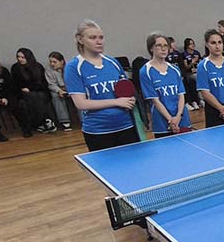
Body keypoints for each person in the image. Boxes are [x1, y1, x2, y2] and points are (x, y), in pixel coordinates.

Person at [65, 19, 138, 152]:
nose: (99, 41)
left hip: (126, 126)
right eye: (92, 38)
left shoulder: (113, 62)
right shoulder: (74, 67)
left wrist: (130, 100)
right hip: (98, 131)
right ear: (80, 39)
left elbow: (125, 91)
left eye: (101, 37)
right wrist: (116, 102)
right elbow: (81, 104)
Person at [139, 33, 190, 138]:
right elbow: (155, 100)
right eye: (159, 45)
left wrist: (179, 116)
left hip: (182, 119)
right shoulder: (145, 71)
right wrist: (171, 120)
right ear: (151, 48)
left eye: (165, 45)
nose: (163, 49)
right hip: (162, 122)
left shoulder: (175, 69)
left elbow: (181, 95)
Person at [11, 48, 56, 133]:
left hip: (39, 91)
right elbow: (17, 84)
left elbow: (43, 83)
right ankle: (45, 120)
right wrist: (27, 89)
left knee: (38, 96)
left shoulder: (38, 66)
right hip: (24, 93)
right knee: (32, 97)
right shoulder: (16, 68)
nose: (20, 59)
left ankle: (43, 122)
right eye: (18, 57)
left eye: (23, 57)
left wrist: (31, 88)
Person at [45, 51, 73, 131]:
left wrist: (71, 91)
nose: (52, 64)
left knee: (79, 95)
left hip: (71, 88)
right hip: (59, 89)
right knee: (55, 96)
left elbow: (76, 81)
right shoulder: (48, 69)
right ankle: (65, 121)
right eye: (50, 62)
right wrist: (59, 91)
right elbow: (51, 84)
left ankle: (84, 119)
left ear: (62, 61)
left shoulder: (70, 67)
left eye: (54, 62)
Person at [180, 37, 202, 112]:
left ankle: (201, 99)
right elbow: (186, 67)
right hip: (189, 73)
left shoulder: (197, 53)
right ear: (187, 45)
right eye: (190, 44)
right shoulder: (184, 54)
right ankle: (195, 100)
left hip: (197, 72)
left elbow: (201, 63)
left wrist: (198, 69)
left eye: (193, 43)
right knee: (194, 79)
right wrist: (192, 63)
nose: (193, 45)